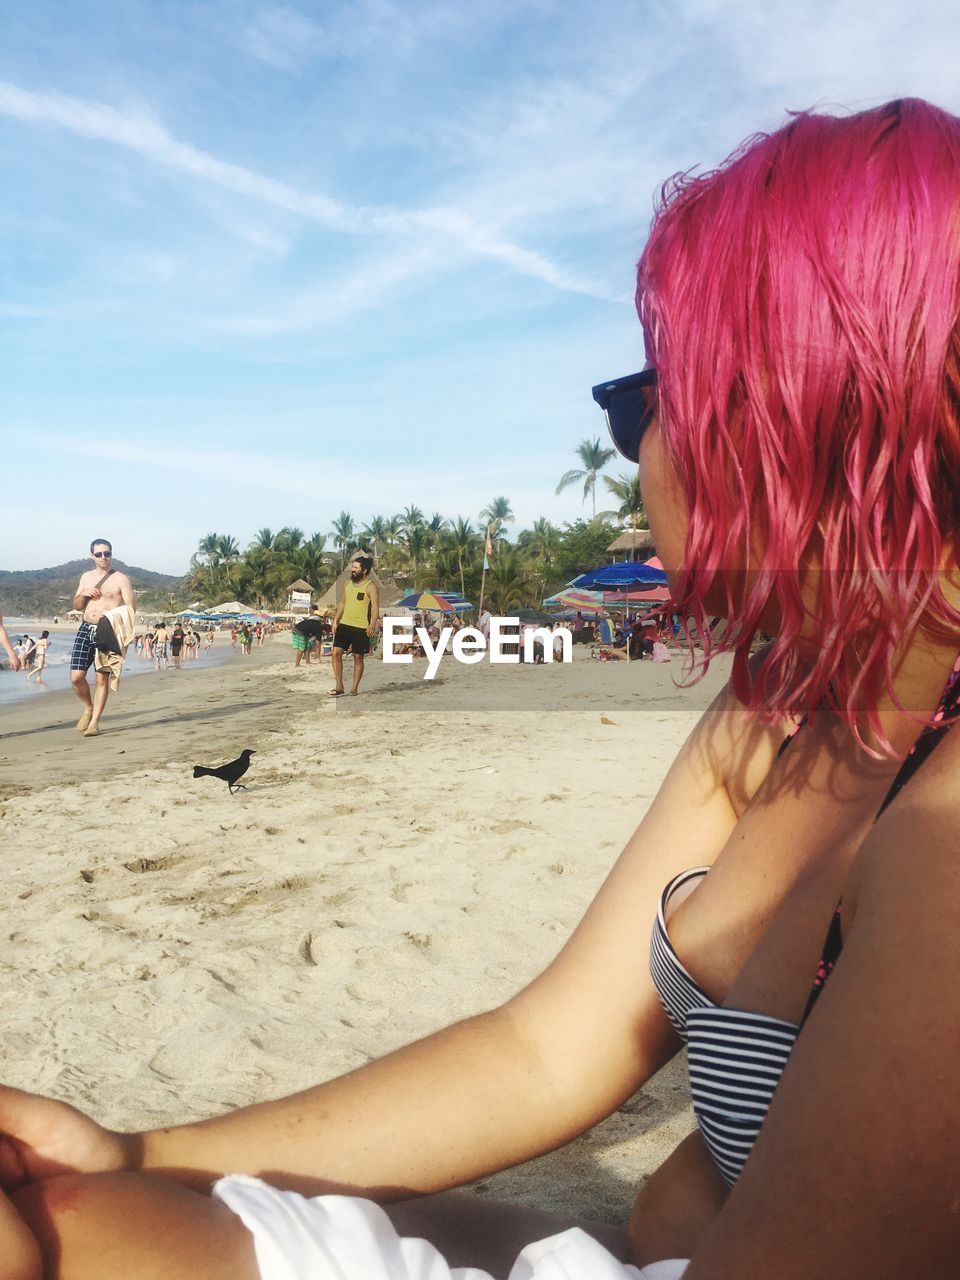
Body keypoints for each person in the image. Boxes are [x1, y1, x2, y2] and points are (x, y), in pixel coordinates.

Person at [4, 98, 960, 1280]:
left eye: (642, 399)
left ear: (788, 410)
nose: (638, 441)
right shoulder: (786, 703)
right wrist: (136, 1152)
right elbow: (547, 1048)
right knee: (90, 1220)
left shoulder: (946, 825)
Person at [69, 540, 136, 737]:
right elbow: (78, 605)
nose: (103, 557)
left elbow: (131, 608)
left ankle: (94, 723)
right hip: (85, 628)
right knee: (76, 677)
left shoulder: (121, 579)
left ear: (111, 554)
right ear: (92, 556)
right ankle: (88, 707)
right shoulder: (86, 577)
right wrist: (84, 593)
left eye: (107, 553)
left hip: (108, 631)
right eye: (99, 554)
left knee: (101, 678)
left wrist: (119, 630)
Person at [329, 555, 379, 696]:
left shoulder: (371, 586)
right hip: (344, 624)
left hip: (361, 627)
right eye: (353, 567)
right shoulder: (348, 584)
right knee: (335, 653)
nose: (353, 570)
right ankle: (339, 685)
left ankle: (354, 687)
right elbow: (342, 604)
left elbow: (375, 608)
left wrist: (372, 624)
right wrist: (336, 620)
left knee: (358, 657)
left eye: (356, 568)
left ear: (364, 570)